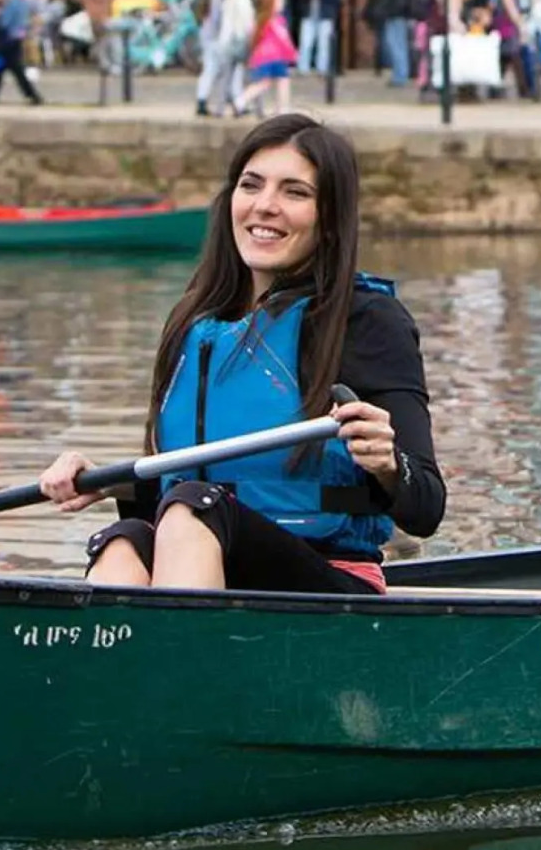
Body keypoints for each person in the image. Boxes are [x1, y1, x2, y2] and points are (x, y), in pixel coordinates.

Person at [38, 115, 446, 594]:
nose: (265, 206)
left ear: (330, 219)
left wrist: (387, 463)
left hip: (331, 583)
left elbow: (426, 507)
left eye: (295, 193)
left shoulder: (367, 321)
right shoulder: (197, 323)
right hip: (209, 555)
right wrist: (108, 482)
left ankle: (184, 663)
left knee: (194, 508)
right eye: (251, 185)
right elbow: (194, 484)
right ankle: (120, 664)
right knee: (123, 541)